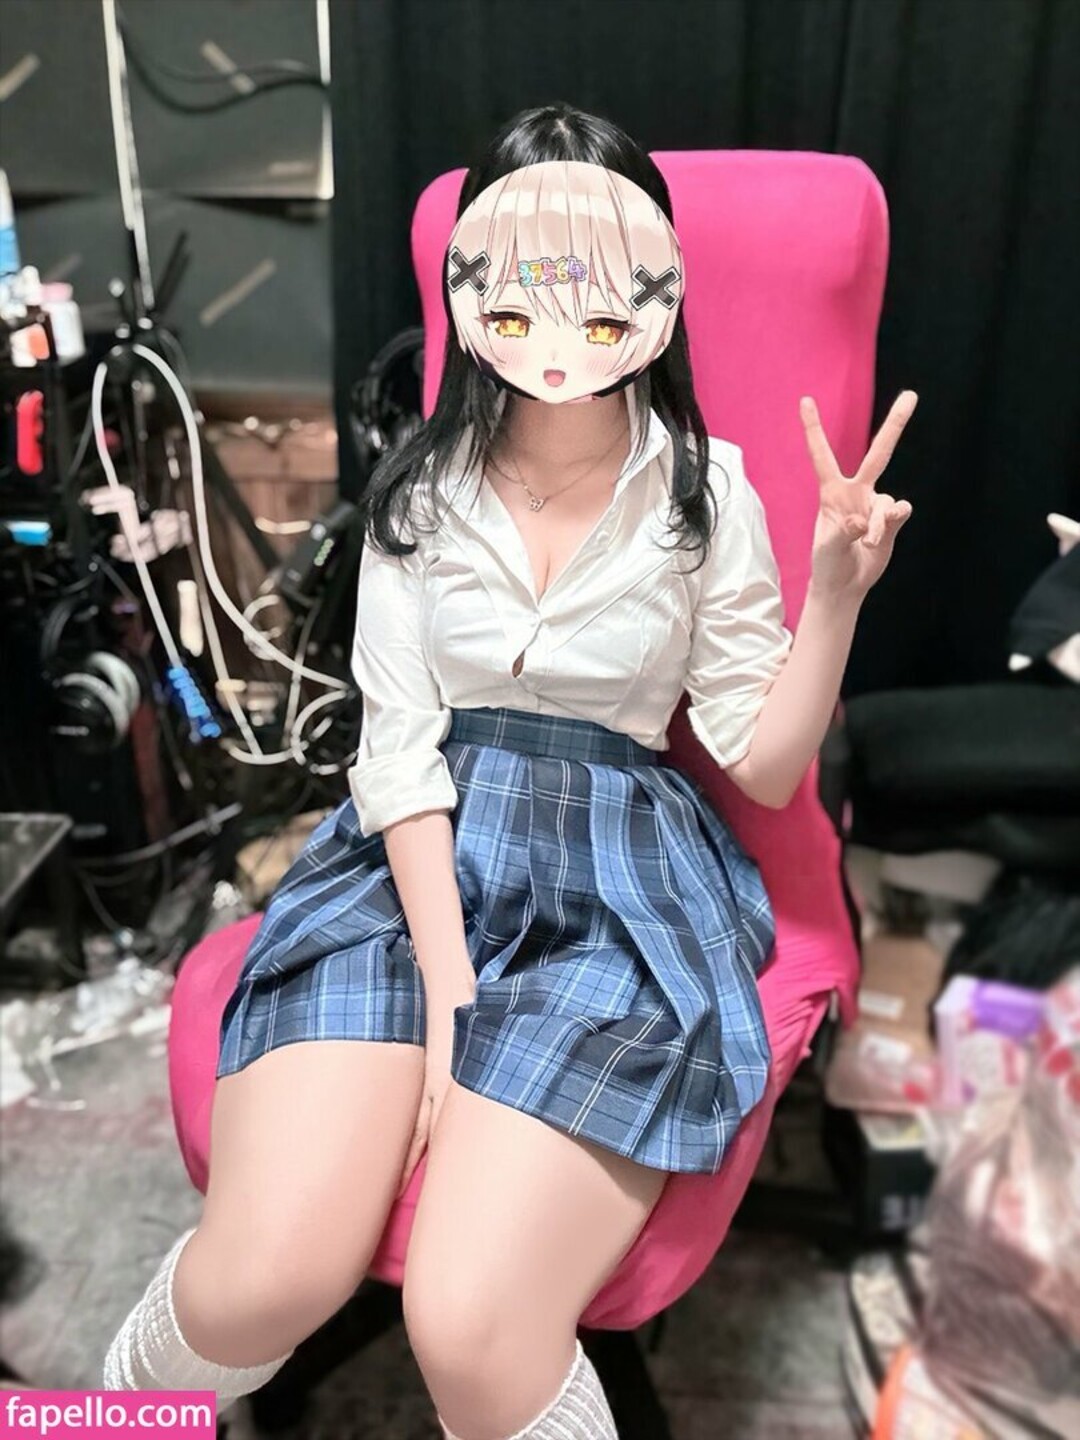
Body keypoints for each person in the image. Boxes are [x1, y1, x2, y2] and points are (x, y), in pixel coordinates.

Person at [104, 103, 916, 1440]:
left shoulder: (707, 493)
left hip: (617, 879)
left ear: (655, 292)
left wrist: (834, 592)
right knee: (258, 1278)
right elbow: (398, 750)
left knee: (473, 1323)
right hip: (411, 866)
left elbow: (766, 771)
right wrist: (447, 997)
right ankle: (92, 1424)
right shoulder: (419, 493)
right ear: (472, 288)